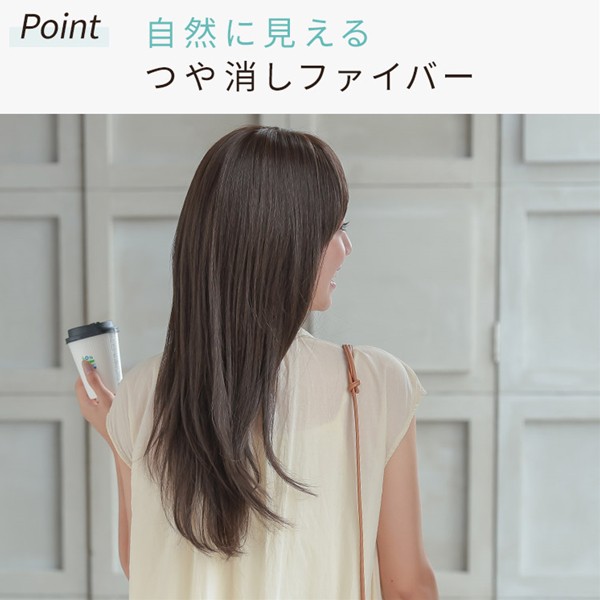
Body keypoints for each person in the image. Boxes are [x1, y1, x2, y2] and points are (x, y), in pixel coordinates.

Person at [76, 125, 438, 600]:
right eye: (335, 229)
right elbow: (407, 587)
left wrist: (118, 431)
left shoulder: (141, 394)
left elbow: (143, 563)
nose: (345, 248)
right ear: (283, 241)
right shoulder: (375, 384)